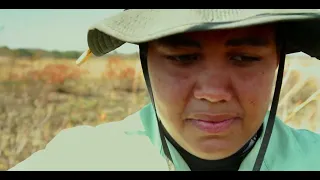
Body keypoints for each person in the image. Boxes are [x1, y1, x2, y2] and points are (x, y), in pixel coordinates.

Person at [9, 9, 320, 171]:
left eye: (244, 58)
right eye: (183, 58)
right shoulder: (83, 158)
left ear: (278, 60)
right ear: (145, 61)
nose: (213, 92)